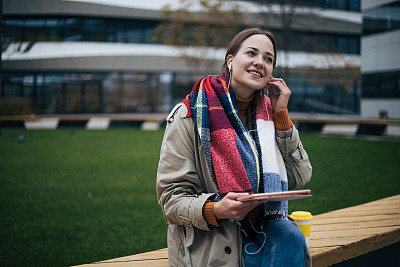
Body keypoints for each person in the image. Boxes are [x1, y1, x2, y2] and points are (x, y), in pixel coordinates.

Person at [156, 28, 312, 267]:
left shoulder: (269, 118)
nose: (260, 62)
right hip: (212, 243)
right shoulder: (189, 115)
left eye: (268, 59)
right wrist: (217, 209)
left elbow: (300, 176)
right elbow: (171, 200)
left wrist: (281, 115)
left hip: (261, 231)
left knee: (290, 236)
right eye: (252, 53)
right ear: (230, 60)